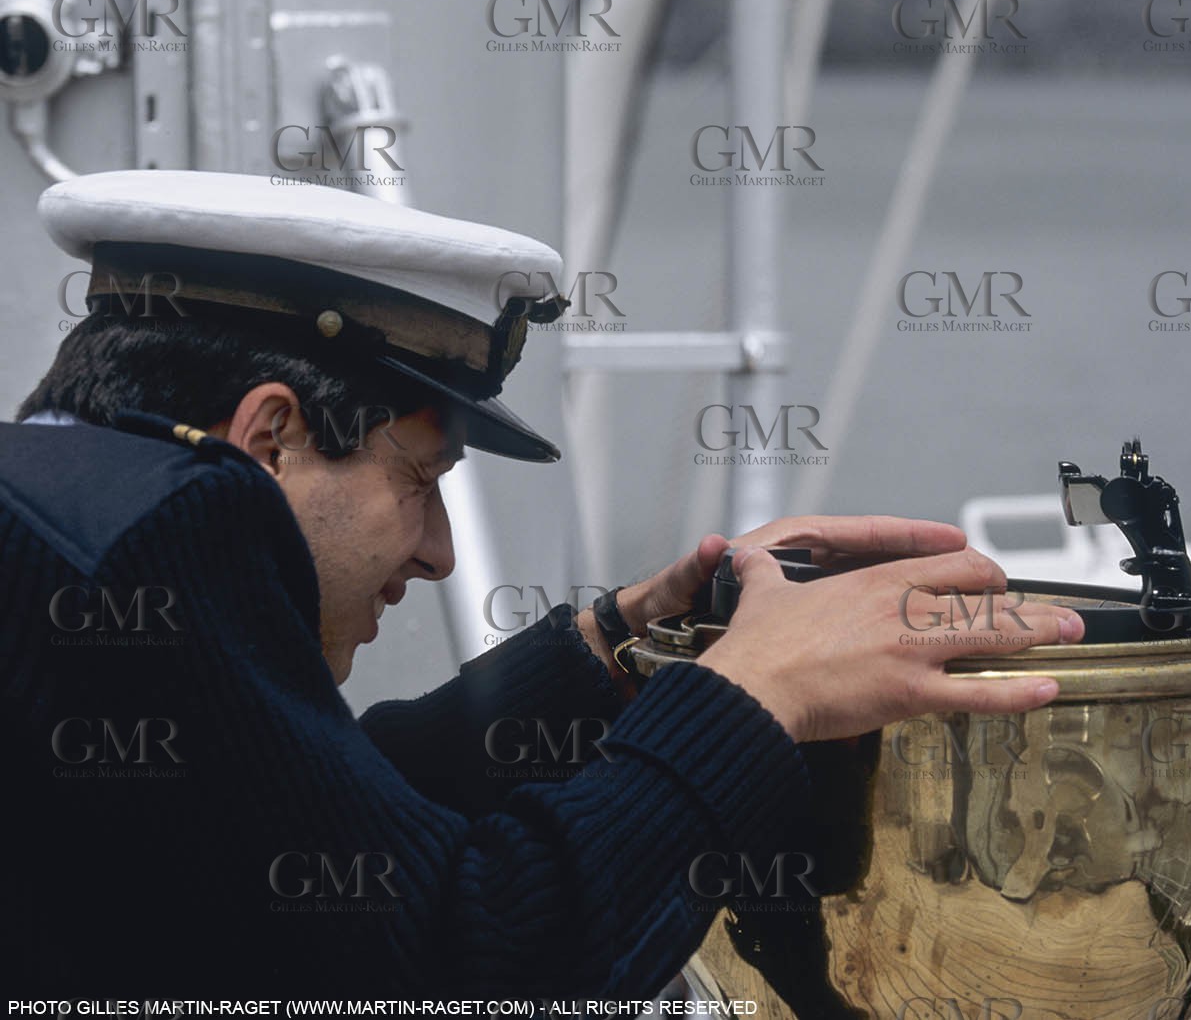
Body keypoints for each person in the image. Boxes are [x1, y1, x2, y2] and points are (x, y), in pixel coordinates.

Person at [1, 170, 1083, 996]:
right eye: (420, 478)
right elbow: (468, 955)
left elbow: (299, 827)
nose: (438, 551)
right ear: (271, 436)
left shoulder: (70, 514)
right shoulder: (173, 529)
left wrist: (606, 654)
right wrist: (755, 695)